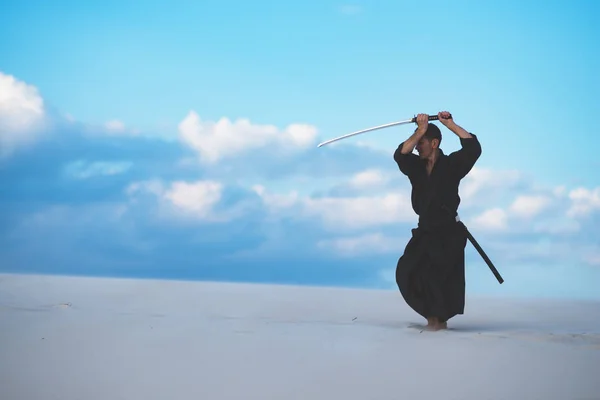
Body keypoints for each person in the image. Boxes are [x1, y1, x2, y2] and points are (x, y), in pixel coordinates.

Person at [393, 111, 482, 331]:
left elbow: (473, 148)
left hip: (448, 232)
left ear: (434, 143)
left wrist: (450, 124)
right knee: (406, 270)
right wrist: (419, 130)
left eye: (421, 142)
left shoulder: (452, 165)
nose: (416, 146)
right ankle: (432, 319)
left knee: (436, 278)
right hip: (425, 231)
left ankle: (437, 324)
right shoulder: (415, 167)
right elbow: (399, 154)